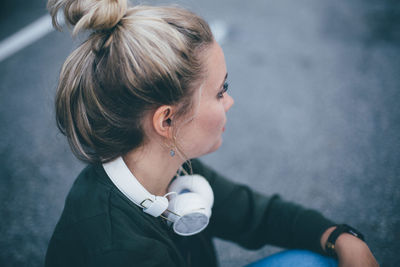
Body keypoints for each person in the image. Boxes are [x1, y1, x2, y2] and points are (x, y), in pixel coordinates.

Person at [45, 0, 379, 266]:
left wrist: (339, 237)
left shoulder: (171, 165)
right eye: (221, 91)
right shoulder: (117, 251)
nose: (231, 101)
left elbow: (259, 215)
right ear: (166, 121)